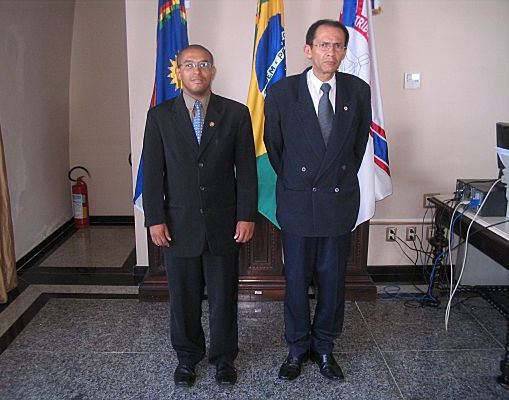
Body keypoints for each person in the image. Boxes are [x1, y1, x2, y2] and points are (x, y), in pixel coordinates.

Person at [142, 44, 257, 388]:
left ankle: (224, 358)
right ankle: (187, 357)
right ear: (179, 72)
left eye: (203, 64)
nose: (197, 70)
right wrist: (154, 218)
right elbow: (152, 173)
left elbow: (247, 171)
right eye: (189, 65)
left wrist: (246, 215)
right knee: (183, 298)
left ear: (213, 70)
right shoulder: (160, 116)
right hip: (178, 225)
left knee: (224, 297)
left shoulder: (235, 113)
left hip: (224, 224)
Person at [264, 19, 371, 381]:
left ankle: (324, 346)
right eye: (324, 45)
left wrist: (333, 180)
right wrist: (300, 183)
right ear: (308, 50)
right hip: (298, 202)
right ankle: (296, 348)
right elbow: (276, 149)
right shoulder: (282, 93)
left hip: (337, 202)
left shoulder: (357, 91)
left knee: (333, 282)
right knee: (295, 282)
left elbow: (355, 148)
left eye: (338, 45)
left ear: (345, 51)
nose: (331, 52)